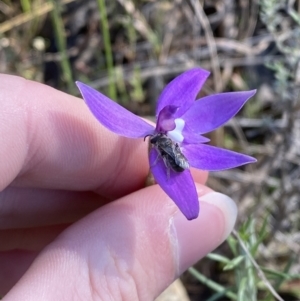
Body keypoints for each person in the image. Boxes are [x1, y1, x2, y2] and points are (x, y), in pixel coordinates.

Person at [0, 74, 237, 301]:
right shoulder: (150, 133)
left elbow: (190, 205)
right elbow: (108, 112)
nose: (173, 122)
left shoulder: (170, 138)